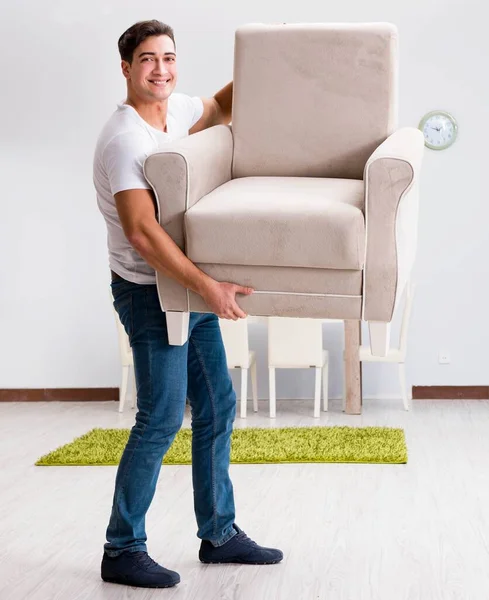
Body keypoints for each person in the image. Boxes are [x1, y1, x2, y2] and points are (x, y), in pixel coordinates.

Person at [92, 20, 283, 589]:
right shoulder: (126, 139)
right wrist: (208, 287)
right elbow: (142, 235)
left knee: (218, 405)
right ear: (126, 68)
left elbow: (222, 103)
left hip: (185, 283)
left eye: (169, 58)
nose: (161, 70)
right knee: (160, 418)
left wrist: (269, 58)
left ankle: (218, 534)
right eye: (148, 59)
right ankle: (121, 548)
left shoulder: (176, 113)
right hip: (149, 290)